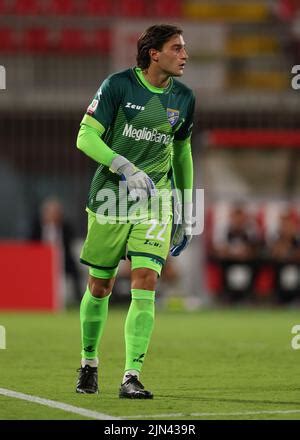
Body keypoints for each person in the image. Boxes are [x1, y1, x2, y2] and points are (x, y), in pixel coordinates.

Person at [75, 24, 195, 398]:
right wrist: (122, 165)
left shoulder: (185, 98)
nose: (184, 55)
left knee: (146, 280)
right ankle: (89, 361)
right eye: (176, 48)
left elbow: (181, 153)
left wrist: (186, 206)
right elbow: (85, 136)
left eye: (184, 48)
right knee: (101, 286)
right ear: (154, 53)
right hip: (111, 197)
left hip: (155, 201)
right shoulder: (118, 86)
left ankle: (131, 375)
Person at [29, 196, 82, 305]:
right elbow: (31, 245)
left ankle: (78, 299)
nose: (53, 215)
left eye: (56, 212)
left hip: (63, 260)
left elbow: (68, 246)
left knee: (76, 272)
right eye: (50, 212)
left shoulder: (66, 227)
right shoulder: (37, 227)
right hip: (40, 261)